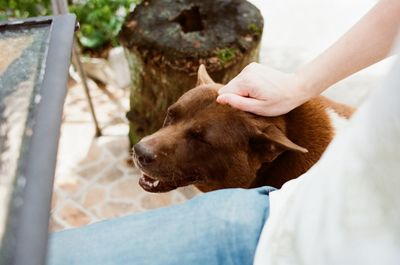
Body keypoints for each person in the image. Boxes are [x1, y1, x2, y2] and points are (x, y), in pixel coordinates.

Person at [47, 1, 400, 264]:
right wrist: (299, 85)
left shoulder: (290, 158)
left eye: (198, 139)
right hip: (285, 214)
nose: (147, 145)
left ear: (269, 150)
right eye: (172, 119)